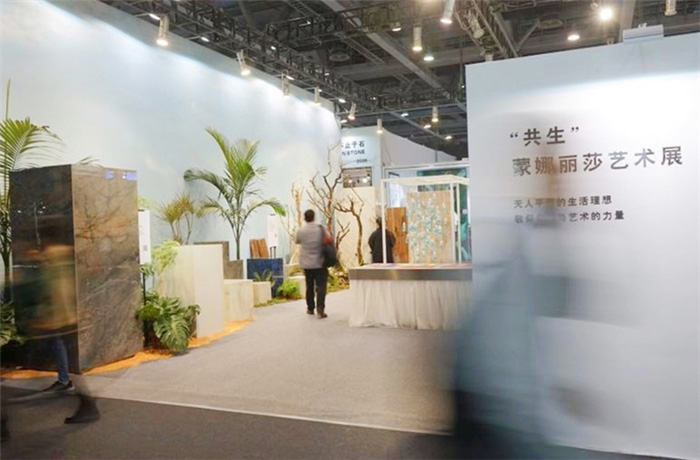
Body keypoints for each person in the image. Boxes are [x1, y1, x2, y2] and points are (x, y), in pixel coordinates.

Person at [295, 210, 332, 319]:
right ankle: (320, 309)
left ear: (304, 218)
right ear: (314, 217)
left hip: (306, 263)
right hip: (320, 261)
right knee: (321, 286)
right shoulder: (320, 229)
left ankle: (310, 308)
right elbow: (328, 239)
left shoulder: (300, 230)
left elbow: (297, 241)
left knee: (309, 285)